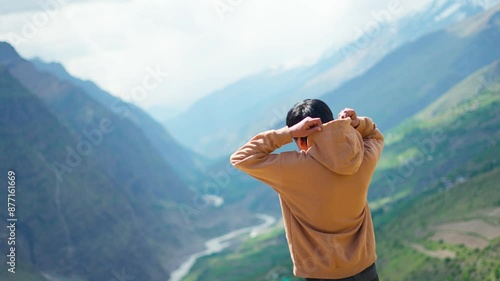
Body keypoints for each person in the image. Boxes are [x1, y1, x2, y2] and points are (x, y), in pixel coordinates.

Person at [230, 99, 384, 281]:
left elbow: (241, 157)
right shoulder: (361, 157)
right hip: (366, 270)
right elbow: (373, 135)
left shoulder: (291, 169)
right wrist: (356, 123)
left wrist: (288, 133)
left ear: (300, 139)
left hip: (321, 274)